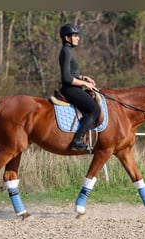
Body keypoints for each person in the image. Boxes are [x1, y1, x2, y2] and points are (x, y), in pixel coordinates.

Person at [59, 23, 100, 151]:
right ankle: (77, 140)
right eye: (75, 36)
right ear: (67, 38)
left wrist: (83, 77)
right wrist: (84, 84)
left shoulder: (69, 51)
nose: (78, 38)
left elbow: (72, 73)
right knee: (94, 110)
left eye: (78, 36)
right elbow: (66, 78)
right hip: (70, 89)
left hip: (74, 87)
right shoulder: (66, 51)